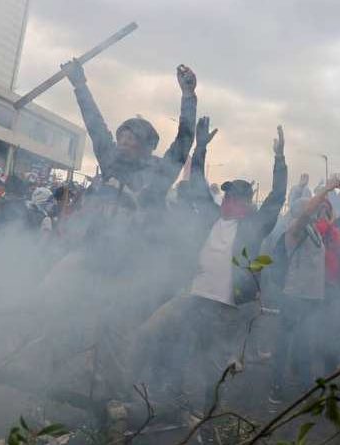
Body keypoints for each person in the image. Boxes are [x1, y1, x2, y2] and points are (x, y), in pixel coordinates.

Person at [131, 118, 287, 417]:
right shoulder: (210, 217)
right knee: (152, 333)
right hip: (192, 297)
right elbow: (199, 182)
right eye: (227, 195)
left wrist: (279, 159)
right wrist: (201, 146)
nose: (230, 200)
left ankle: (209, 415)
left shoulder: (254, 227)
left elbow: (277, 198)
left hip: (226, 308)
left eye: (237, 197)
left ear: (247, 203)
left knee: (210, 364)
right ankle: (166, 398)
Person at [65, 59, 197, 211]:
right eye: (122, 137)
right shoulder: (111, 162)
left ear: (146, 146)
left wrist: (188, 97)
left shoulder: (158, 173)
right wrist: (80, 85)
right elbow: (95, 124)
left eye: (131, 138)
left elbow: (183, 142)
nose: (123, 142)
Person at [271, 181, 338, 402]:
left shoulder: (314, 231)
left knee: (304, 341)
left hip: (311, 297)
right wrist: (325, 189)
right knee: (284, 343)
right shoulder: (295, 229)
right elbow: (306, 213)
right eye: (312, 208)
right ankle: (276, 386)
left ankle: (306, 386)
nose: (317, 211)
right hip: (294, 296)